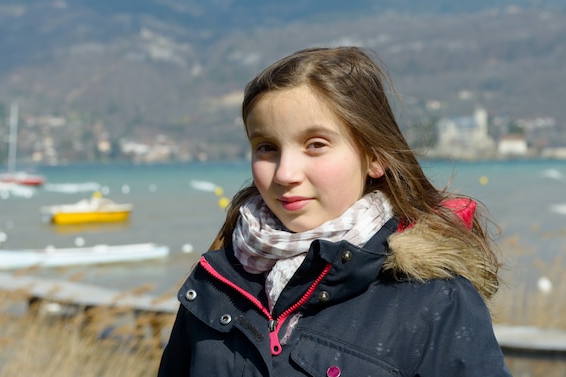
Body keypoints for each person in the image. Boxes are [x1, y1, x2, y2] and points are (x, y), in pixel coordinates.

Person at [158, 46, 512, 376]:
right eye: (266, 147)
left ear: (375, 156)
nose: (285, 174)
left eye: (316, 145)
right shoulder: (214, 284)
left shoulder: (435, 296)